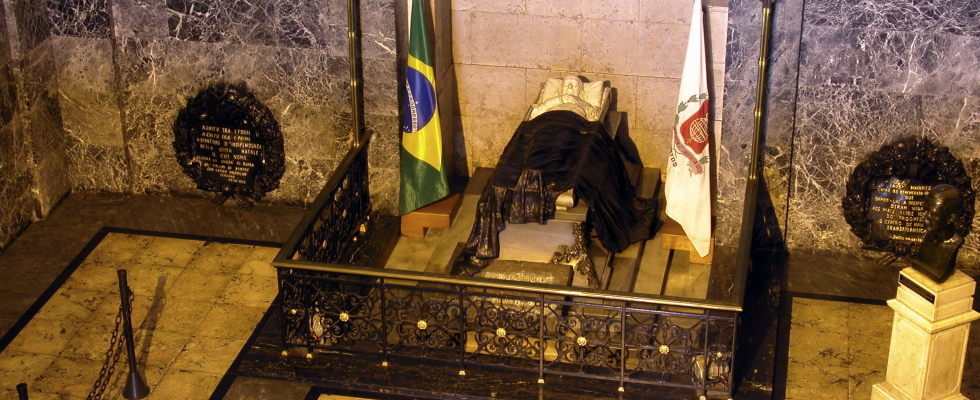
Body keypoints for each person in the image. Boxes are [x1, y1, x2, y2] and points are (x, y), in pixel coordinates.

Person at [909, 184, 965, 282]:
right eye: (925, 210)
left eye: (933, 214)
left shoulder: (954, 243)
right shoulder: (929, 236)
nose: (924, 217)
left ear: (951, 218)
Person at [527, 76, 605, 121]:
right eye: (566, 84)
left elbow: (593, 120)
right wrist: (559, 100)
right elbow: (534, 114)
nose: (569, 87)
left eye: (574, 85)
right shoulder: (551, 103)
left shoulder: (585, 105)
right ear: (561, 90)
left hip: (570, 127)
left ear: (581, 92)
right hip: (547, 123)